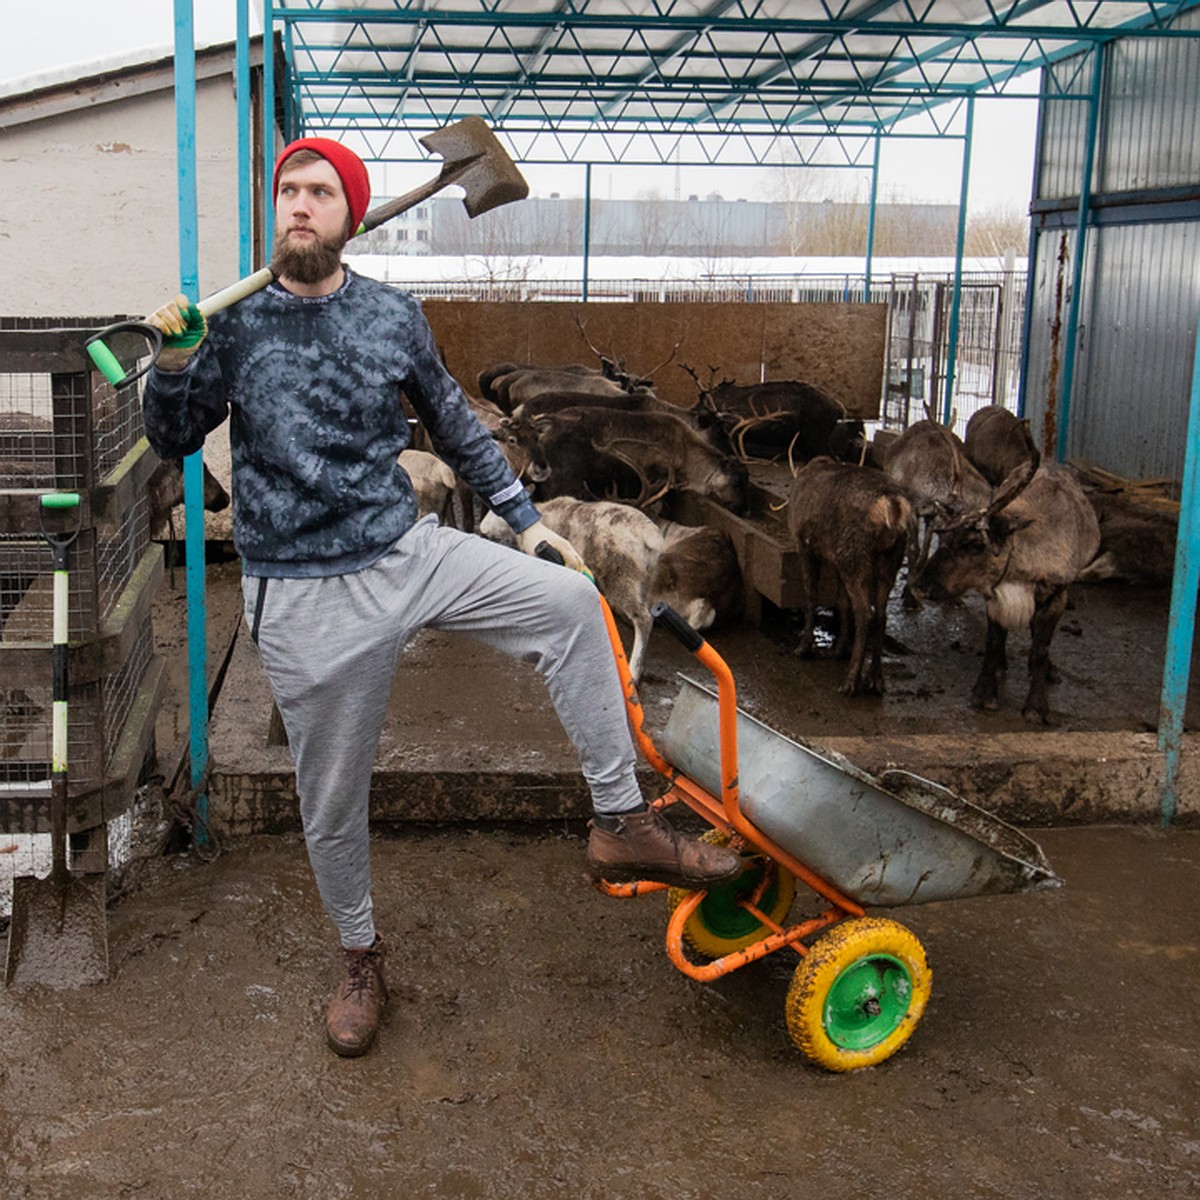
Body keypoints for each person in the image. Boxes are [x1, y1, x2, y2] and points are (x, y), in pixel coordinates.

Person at [142, 137, 740, 1058]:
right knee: (330, 799)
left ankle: (621, 822)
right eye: (287, 192)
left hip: (405, 551)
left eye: (320, 194)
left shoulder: (391, 315)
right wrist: (176, 365)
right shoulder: (237, 325)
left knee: (571, 604)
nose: (299, 207)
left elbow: (458, 424)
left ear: (351, 215)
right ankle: (359, 953)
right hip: (301, 594)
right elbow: (175, 438)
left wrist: (529, 521)